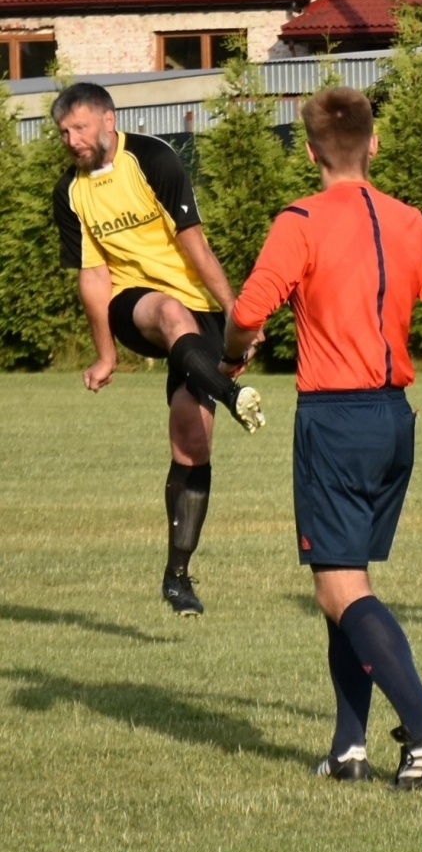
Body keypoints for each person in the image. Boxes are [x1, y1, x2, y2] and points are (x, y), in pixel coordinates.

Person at [222, 87, 422, 790]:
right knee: (347, 579)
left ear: (310, 151)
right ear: (374, 143)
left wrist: (234, 354)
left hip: (335, 421)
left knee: (339, 590)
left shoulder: (299, 221)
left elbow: (246, 312)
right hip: (394, 422)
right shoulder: (410, 223)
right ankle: (349, 746)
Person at [51, 81, 265, 617]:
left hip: (201, 312)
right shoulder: (69, 192)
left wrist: (235, 310)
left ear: (107, 120)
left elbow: (193, 239)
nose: (71, 139)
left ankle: (177, 578)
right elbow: (94, 277)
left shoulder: (152, 158)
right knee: (169, 312)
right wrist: (106, 354)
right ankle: (231, 391)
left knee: (192, 442)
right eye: (62, 132)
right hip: (135, 304)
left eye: (78, 127)